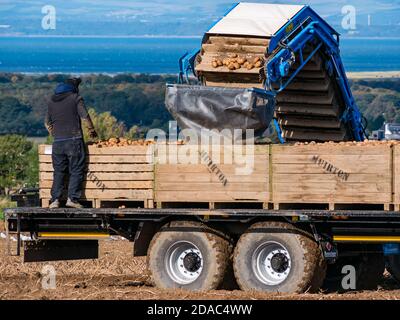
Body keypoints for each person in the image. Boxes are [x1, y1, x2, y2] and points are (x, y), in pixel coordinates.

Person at [45, 78, 98, 209]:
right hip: (74, 141)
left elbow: (47, 123)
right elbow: (85, 116)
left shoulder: (52, 101)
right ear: (74, 88)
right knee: (76, 170)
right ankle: (72, 199)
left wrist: (54, 133)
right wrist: (92, 131)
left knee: (58, 171)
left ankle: (55, 200)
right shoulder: (76, 98)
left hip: (57, 143)